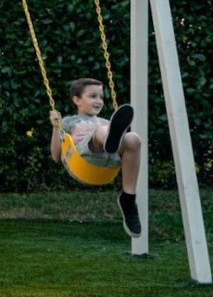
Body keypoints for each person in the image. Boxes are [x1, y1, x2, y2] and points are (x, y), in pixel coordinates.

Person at [49, 77, 143, 238]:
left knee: (134, 139)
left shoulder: (105, 122)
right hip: (84, 157)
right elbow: (56, 156)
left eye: (101, 97)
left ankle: (128, 198)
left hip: (110, 160)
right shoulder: (69, 121)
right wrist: (56, 127)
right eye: (93, 96)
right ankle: (109, 141)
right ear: (77, 100)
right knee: (101, 130)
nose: (99, 101)